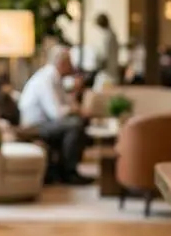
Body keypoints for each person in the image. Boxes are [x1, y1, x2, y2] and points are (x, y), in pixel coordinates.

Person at [18, 44, 93, 185]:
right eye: (69, 62)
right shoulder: (45, 79)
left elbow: (66, 103)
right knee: (75, 125)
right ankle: (68, 173)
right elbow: (56, 113)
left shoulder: (56, 78)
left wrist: (76, 107)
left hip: (47, 123)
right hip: (33, 126)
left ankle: (67, 170)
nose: (72, 66)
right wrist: (75, 110)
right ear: (61, 62)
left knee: (79, 121)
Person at [92, 12, 122, 83]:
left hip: (107, 74)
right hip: (111, 72)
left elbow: (104, 56)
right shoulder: (111, 35)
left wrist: (98, 65)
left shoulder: (107, 36)